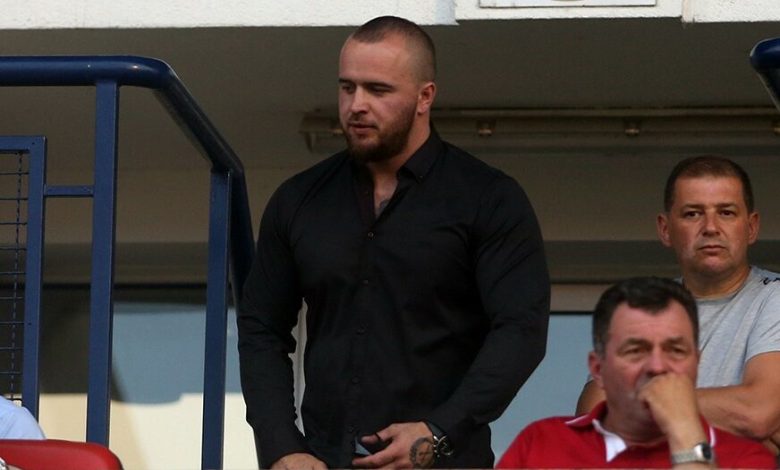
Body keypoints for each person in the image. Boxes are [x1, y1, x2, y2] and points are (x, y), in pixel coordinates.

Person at [237, 15, 550, 469]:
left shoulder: (488, 198)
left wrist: (439, 432)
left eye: (378, 90)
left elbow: (521, 331)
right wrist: (282, 446)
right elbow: (261, 329)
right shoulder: (299, 200)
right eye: (347, 88)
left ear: (425, 96)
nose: (356, 105)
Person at [576, 156, 780, 451]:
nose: (711, 227)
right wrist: (733, 417)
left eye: (726, 212)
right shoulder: (639, 308)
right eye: (693, 214)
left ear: (751, 227)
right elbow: (594, 420)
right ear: (665, 229)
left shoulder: (773, 297)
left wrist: (637, 405)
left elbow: (757, 413)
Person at [498, 277, 775, 468]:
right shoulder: (543, 443)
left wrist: (686, 431)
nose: (657, 366)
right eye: (636, 350)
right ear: (598, 369)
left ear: (696, 363)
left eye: (675, 350)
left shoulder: (744, 459)